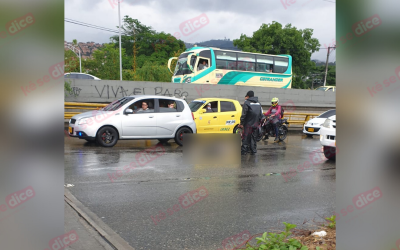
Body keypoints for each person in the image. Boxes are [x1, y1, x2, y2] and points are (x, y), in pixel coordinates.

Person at [239, 91, 263, 155]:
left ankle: (244, 151)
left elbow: (244, 114)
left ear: (248, 96)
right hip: (256, 124)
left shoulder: (247, 103)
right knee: (254, 138)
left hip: (248, 124)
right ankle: (253, 150)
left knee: (246, 137)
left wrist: (241, 123)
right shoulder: (258, 103)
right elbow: (261, 114)